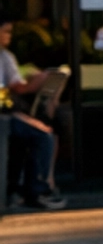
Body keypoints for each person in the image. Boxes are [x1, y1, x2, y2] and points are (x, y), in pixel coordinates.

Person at [0, 22, 66, 210]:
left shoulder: (5, 56)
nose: (9, 36)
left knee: (43, 129)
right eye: (5, 32)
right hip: (5, 113)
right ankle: (36, 191)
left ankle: (21, 189)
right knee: (42, 135)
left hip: (6, 112)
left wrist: (37, 81)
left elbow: (17, 87)